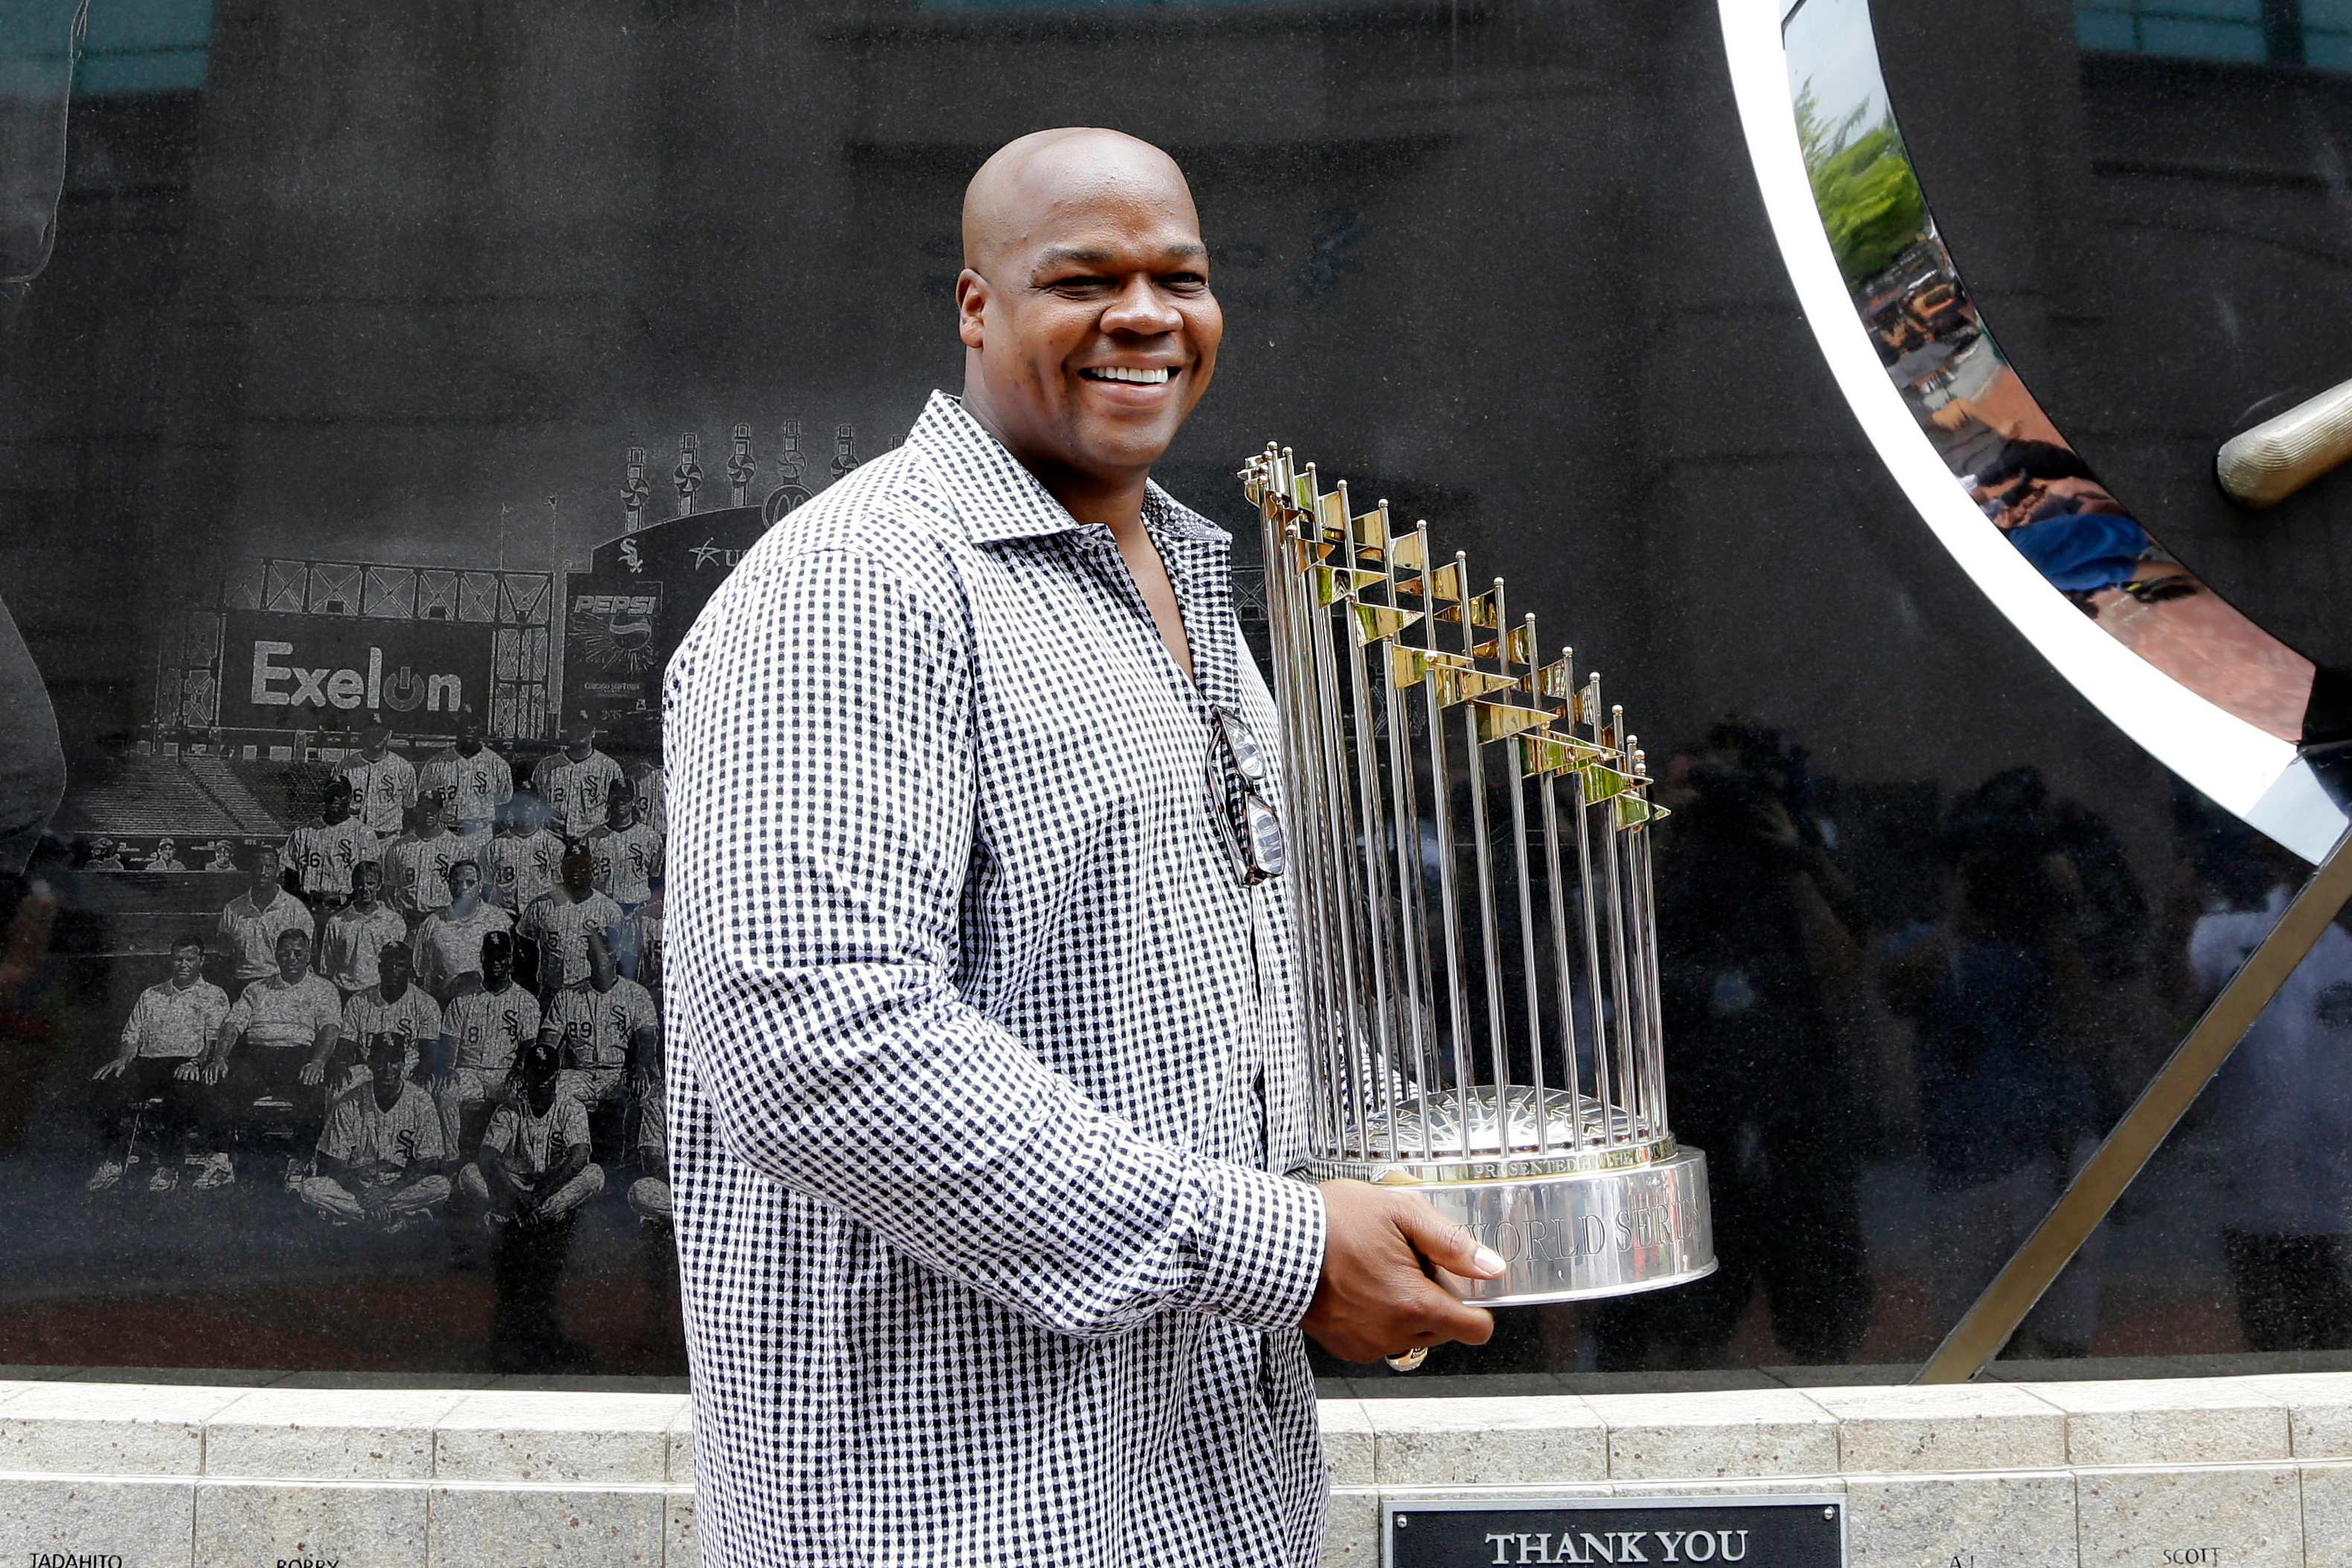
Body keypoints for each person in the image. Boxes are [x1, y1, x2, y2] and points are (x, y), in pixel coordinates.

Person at [662, 129, 1500, 1568]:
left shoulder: (1182, 578)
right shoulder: (855, 588)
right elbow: (815, 1046)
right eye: (1084, 278)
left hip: (1211, 1484)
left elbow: (1211, 991)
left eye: (1181, 276)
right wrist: (1287, 1250)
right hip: (953, 1508)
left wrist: (1428, 1168)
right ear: (977, 306)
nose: (1145, 316)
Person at [450, 1039, 604, 1369]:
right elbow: (488, 1158)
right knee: (469, 1174)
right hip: (515, 1186)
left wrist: (539, 1196)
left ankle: (526, 1215)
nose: (541, 1080)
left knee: (594, 1174)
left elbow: (579, 1158)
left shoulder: (570, 1106)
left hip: (550, 1188)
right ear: (526, 1076)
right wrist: (517, 1196)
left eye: (547, 1074)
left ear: (556, 1075)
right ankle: (519, 1214)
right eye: (535, 1074)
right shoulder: (510, 1109)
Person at [196, 925, 342, 1185]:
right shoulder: (257, 988)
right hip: (258, 1058)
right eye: (285, 953)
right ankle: (221, 1160)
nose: (292, 959)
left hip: (297, 1057)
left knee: (312, 1091)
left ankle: (300, 1163)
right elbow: (232, 1024)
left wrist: (318, 1062)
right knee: (220, 1083)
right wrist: (219, 1058)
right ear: (276, 955)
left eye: (298, 953)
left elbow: (330, 1028)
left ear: (309, 955)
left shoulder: (323, 989)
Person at [87, 935, 228, 1192]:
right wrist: (124, 1058)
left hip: (187, 1063)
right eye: (178, 959)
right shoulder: (150, 995)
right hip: (148, 1062)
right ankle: (113, 1161)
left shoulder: (214, 996)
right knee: (109, 1082)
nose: (183, 965)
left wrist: (196, 1063)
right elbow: (132, 1035)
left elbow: (215, 1041)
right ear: (170, 961)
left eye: (190, 959)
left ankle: (169, 1166)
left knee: (180, 1093)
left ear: (202, 961)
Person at [295, 1031, 453, 1230]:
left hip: (398, 1185)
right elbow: (334, 1162)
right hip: (358, 1186)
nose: (387, 1068)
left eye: (394, 1061)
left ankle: (357, 1217)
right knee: (311, 1188)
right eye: (381, 1060)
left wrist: (388, 1192)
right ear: (370, 1063)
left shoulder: (421, 1101)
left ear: (403, 1064)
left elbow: (429, 1161)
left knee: (440, 1186)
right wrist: (365, 1195)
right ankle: (396, 1216)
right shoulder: (350, 1101)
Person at [433, 929, 541, 1157]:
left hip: (505, 1072)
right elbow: (449, 1045)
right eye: (491, 956)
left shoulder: (526, 1001)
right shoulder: (463, 1001)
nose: (496, 962)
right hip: (469, 1072)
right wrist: (447, 1068)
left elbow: (528, 1045)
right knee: (445, 1092)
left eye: (501, 956)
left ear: (510, 960)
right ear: (482, 957)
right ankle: (451, 1159)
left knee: (522, 1098)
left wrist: (519, 1069)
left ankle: (516, 1160)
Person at [540, 933, 656, 1116]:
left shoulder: (637, 994)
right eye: (596, 953)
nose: (602, 958)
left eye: (607, 953)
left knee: (646, 1094)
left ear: (616, 955)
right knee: (550, 1089)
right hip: (580, 1074)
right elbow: (548, 1045)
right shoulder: (567, 996)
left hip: (619, 1073)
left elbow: (648, 1038)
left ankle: (632, 1145)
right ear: (588, 956)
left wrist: (641, 1067)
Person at [330, 941, 442, 1095]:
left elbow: (430, 1047)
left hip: (408, 1069)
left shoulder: (426, 1003)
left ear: (410, 969)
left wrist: (424, 1068)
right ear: (380, 969)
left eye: (400, 965)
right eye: (388, 965)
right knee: (338, 1086)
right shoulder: (359, 1001)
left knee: (427, 1087)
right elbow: (346, 1042)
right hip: (370, 1069)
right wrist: (341, 1064)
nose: (393, 971)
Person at [517, 844, 621, 996]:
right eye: (570, 866)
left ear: (592, 870)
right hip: (551, 989)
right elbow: (526, 941)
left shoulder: (609, 909)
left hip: (590, 991)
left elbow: (617, 954)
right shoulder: (542, 905)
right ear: (562, 870)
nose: (575, 872)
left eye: (581, 867)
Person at [216, 848, 313, 996]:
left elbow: (306, 957)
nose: (263, 872)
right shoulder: (233, 909)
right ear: (250, 870)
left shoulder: (295, 909)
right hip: (243, 982)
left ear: (278, 870)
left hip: (281, 984)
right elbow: (225, 953)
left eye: (269, 867)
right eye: (258, 867)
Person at [414, 860, 514, 1002]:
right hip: (445, 1002)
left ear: (480, 885)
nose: (464, 888)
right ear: (449, 885)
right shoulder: (432, 924)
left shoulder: (500, 920)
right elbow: (420, 971)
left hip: (489, 1003)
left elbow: (510, 966)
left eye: (470, 882)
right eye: (457, 883)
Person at [418, 714, 514, 846]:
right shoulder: (435, 764)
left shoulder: (497, 764)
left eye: (474, 727)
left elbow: (503, 801)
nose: (469, 731)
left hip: (480, 834)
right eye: (465, 727)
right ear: (456, 731)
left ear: (481, 732)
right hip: (445, 832)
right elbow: (424, 801)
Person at [316, 860, 407, 996]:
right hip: (345, 991)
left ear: (379, 885)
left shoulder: (393, 922)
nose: (365, 889)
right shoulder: (336, 922)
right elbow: (328, 966)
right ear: (353, 885)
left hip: (379, 993)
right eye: (360, 884)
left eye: (370, 883)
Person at [283, 780, 376, 911]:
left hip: (346, 908)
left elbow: (371, 880)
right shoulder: (302, 832)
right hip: (309, 906)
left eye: (340, 794)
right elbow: (290, 879)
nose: (335, 799)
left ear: (350, 798)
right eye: (331, 794)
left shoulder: (364, 834)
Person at [529, 717, 624, 840]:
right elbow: (535, 802)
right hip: (553, 837)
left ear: (593, 732)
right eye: (574, 729)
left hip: (593, 838)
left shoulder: (609, 767)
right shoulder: (547, 766)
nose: (578, 734)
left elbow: (619, 807)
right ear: (567, 731)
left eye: (583, 729)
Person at [380, 798, 461, 929]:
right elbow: (389, 888)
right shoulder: (398, 847)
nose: (428, 814)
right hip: (408, 921)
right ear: (416, 811)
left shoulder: (457, 846)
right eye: (424, 809)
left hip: (442, 921)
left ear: (441, 812)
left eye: (433, 810)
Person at [485, 793, 564, 915]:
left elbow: (560, 889)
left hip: (541, 914)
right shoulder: (494, 846)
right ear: (512, 809)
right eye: (521, 805)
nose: (526, 809)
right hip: (505, 914)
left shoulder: (554, 846)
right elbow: (486, 887)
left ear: (538, 807)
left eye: (531, 805)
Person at [342, 718, 418, 839]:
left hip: (388, 839)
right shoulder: (345, 767)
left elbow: (410, 808)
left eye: (381, 733)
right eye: (373, 732)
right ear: (364, 733)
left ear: (389, 734)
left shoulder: (403, 768)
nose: (377, 737)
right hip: (353, 838)